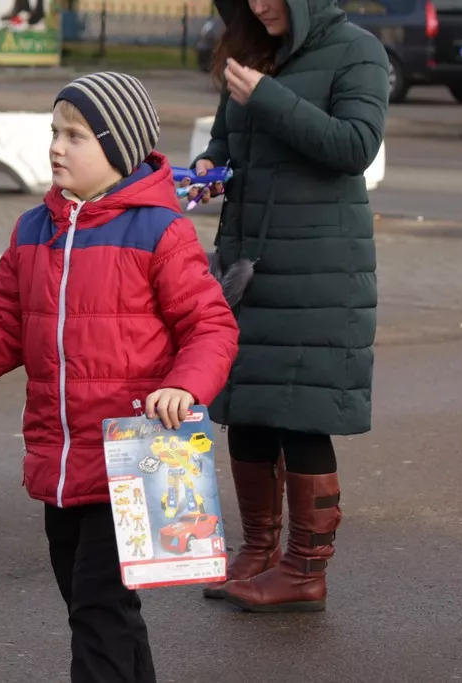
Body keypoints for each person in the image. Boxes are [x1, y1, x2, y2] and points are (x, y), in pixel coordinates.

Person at [0, 72, 240, 683]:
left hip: (136, 454)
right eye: (54, 132)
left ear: (118, 149)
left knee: (99, 608)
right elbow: (1, 334)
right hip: (61, 460)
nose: (56, 147)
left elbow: (212, 327)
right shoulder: (32, 231)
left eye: (75, 135)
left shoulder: (159, 232)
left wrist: (185, 386)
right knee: (94, 606)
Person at [192, 0, 389, 612]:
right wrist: (207, 169)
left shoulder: (358, 50)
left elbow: (355, 145)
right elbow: (226, 143)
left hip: (319, 268)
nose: (259, 5)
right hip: (245, 266)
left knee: (300, 415)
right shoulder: (250, 50)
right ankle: (257, 552)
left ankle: (304, 569)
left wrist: (267, 98)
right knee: (246, 408)